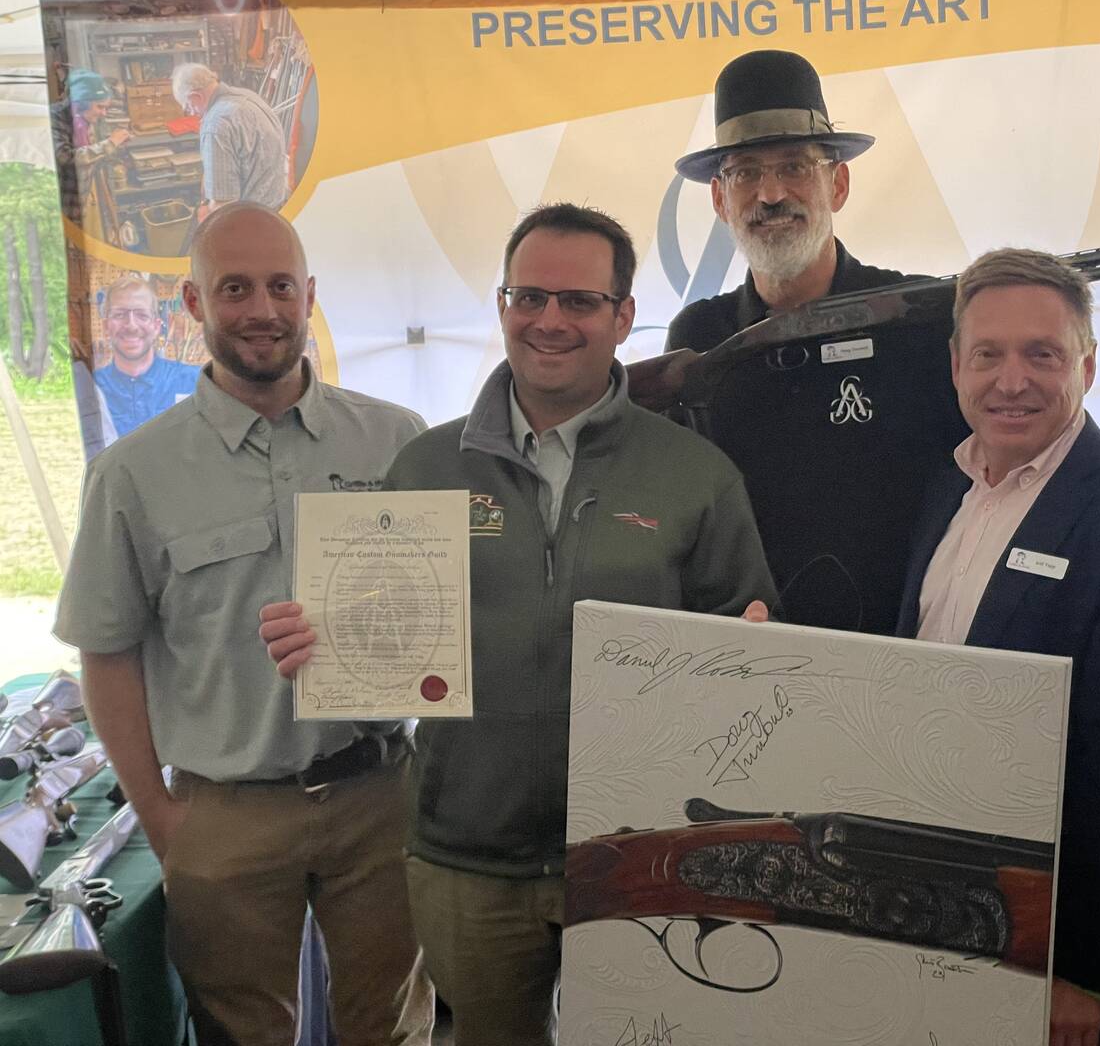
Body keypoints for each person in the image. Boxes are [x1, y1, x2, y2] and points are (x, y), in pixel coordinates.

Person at [260, 203, 777, 1046]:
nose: (549, 320)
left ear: (623, 316)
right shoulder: (425, 467)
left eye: (579, 301)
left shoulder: (695, 475)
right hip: (468, 859)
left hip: (640, 856)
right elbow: (382, 662)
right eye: (528, 296)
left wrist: (755, 656)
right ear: (502, 305)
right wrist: (323, 647)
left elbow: (746, 662)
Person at [54, 203, 432, 1046]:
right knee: (240, 1034)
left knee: (393, 1031)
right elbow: (105, 655)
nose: (262, 309)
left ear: (309, 296)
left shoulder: (398, 442)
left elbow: (448, 607)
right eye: (235, 289)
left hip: (379, 799)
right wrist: (160, 816)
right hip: (225, 814)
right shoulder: (132, 474)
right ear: (193, 303)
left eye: (280, 286)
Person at [896, 248, 1100, 1046]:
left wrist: (1080, 968)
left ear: (1087, 367)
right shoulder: (945, 490)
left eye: (1042, 354)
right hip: (956, 922)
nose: (1012, 381)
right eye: (988, 355)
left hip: (1079, 964)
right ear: (956, 366)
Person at [660, 48, 966, 634]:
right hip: (745, 648)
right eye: (746, 173)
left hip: (907, 648)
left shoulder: (923, 320)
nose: (771, 193)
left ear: (838, 184)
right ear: (720, 199)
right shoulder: (698, 337)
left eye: (795, 166)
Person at [171, 63, 288, 219]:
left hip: (251, 220)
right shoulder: (249, 96)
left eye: (188, 107)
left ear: (196, 97)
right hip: (277, 208)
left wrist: (206, 216)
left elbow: (223, 207)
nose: (191, 113)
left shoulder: (216, 124)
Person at [92, 275, 201, 438]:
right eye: (120, 315)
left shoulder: (194, 382)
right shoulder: (92, 388)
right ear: (106, 326)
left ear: (156, 327)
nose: (131, 325)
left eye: (142, 315)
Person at [50, 68, 130, 223]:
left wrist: (116, 148)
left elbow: (91, 157)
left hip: (78, 202)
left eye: (106, 108)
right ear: (80, 103)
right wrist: (109, 143)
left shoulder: (85, 117)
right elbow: (65, 157)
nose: (104, 113)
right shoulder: (53, 117)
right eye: (100, 107)